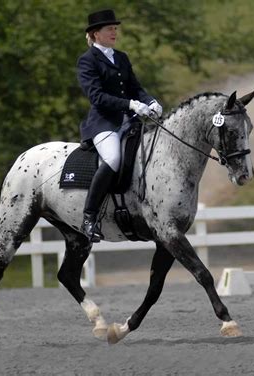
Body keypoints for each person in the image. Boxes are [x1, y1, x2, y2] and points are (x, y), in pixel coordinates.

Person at [77, 9, 163, 242]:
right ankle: (89, 217)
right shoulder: (87, 61)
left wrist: (150, 101)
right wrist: (132, 104)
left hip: (130, 121)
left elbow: (136, 87)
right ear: (96, 34)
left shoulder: (121, 57)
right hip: (104, 122)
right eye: (110, 29)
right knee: (113, 159)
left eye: (115, 28)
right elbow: (97, 97)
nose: (115, 32)